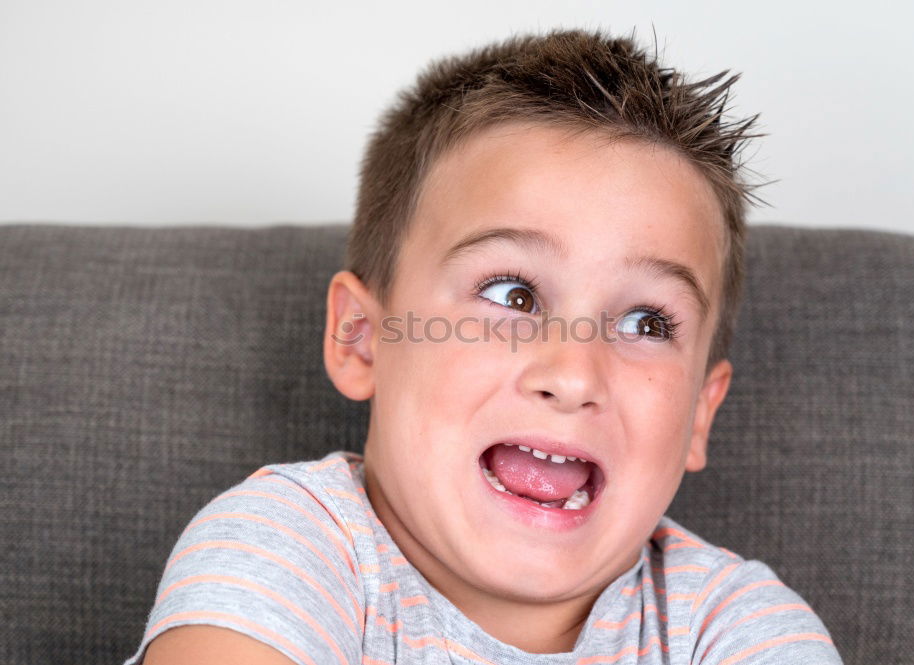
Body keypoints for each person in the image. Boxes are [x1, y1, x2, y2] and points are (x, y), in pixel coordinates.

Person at [126, 28, 844, 665]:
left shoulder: (733, 625)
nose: (572, 373)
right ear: (363, 339)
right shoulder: (285, 547)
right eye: (512, 294)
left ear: (698, 413)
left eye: (647, 322)